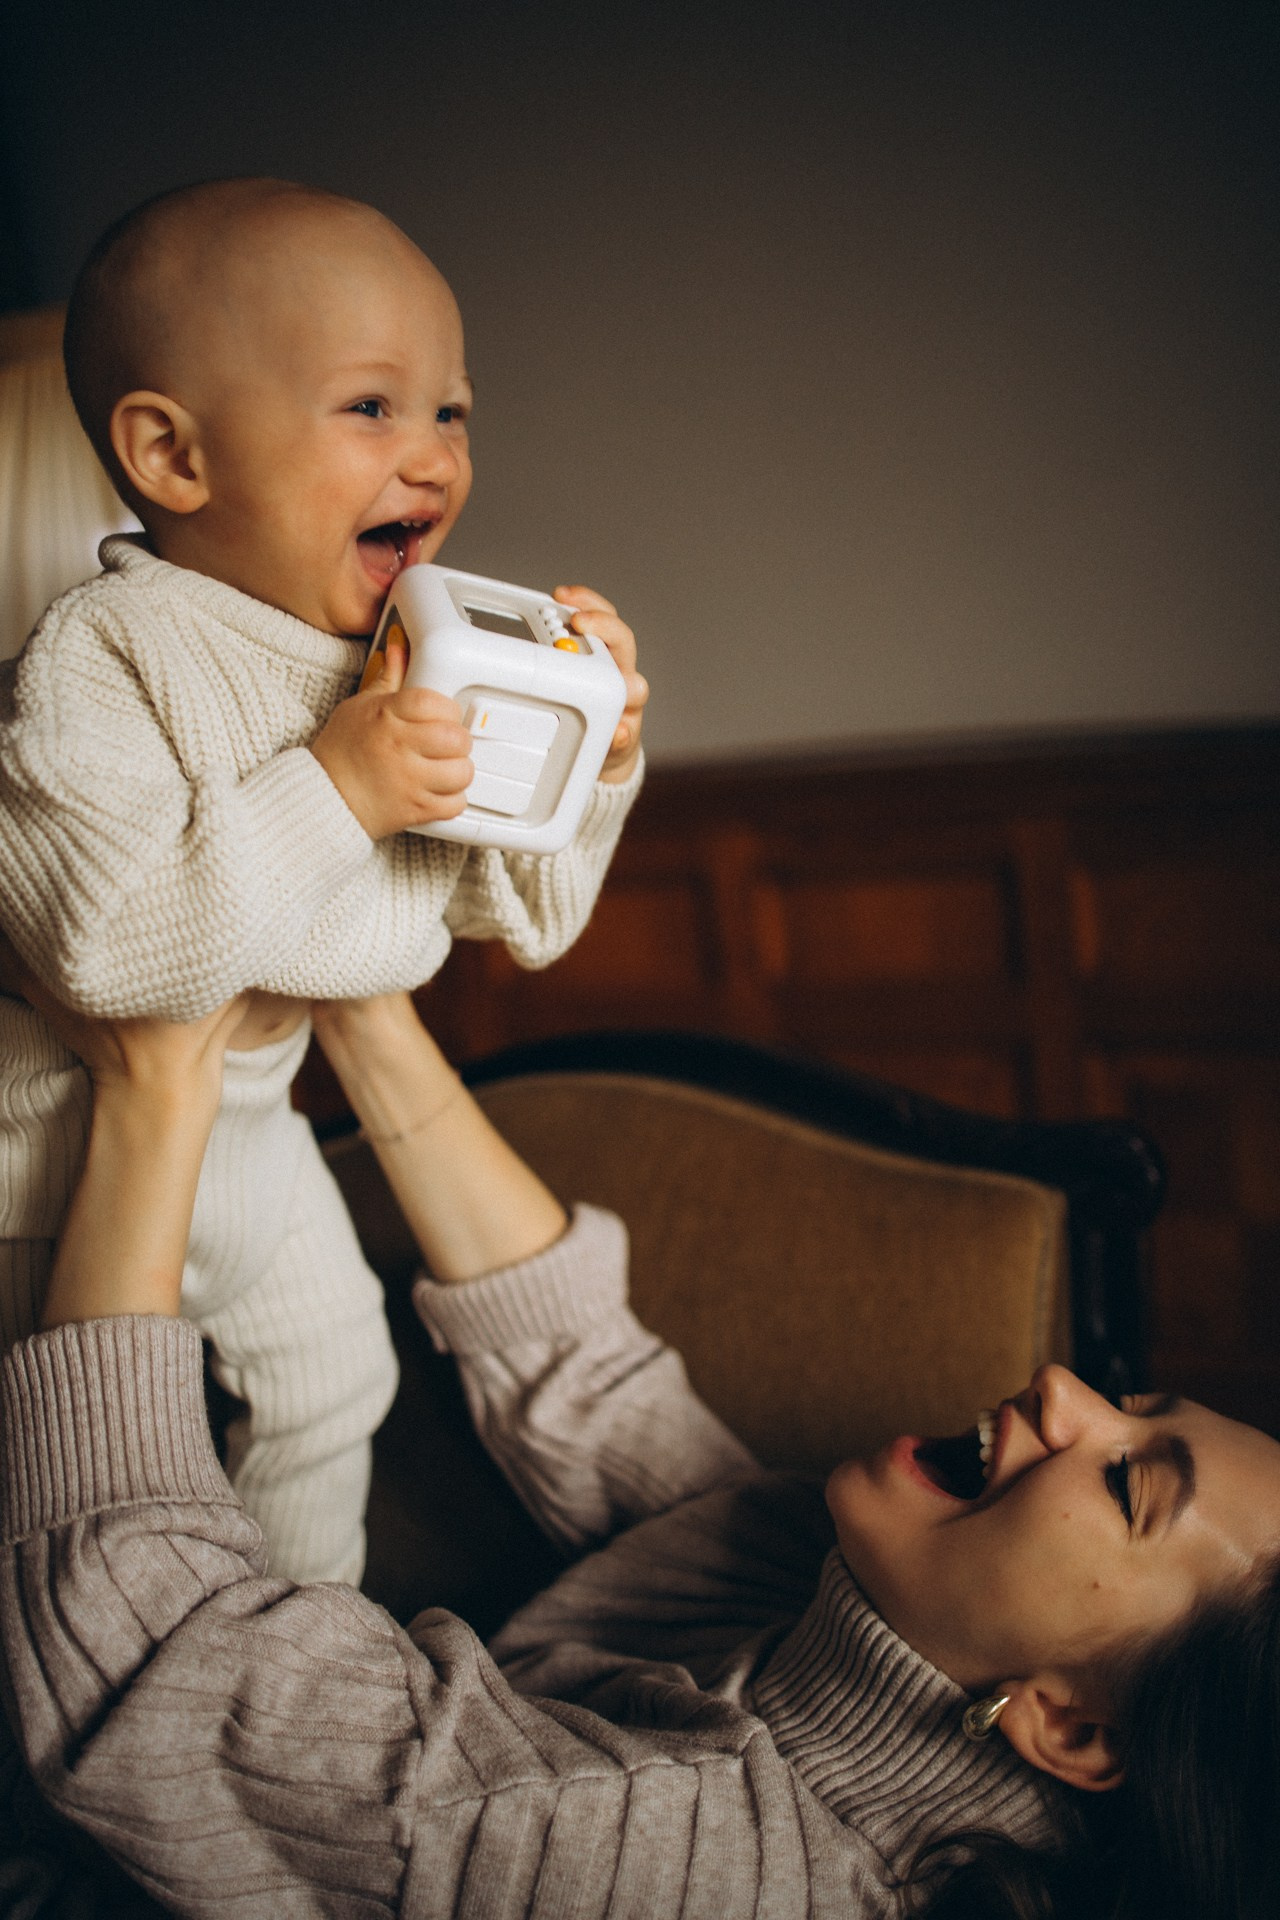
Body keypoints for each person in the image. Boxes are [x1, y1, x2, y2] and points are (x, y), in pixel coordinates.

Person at [1, 969, 1278, 1918]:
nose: (1064, 1391)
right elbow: (589, 1383)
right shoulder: (861, 1588)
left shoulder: (680, 1872)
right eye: (1137, 1402)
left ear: (1071, 1732)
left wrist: (158, 1095)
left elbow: (156, 1658)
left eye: (1127, 1478)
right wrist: (363, 999)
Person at [0, 176, 648, 1585]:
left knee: (340, 1377)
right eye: (371, 406)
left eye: (452, 412)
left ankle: (297, 1649)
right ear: (172, 456)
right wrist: (340, 788)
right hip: (53, 1164)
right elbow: (108, 951)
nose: (432, 456)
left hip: (257, 1131)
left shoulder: (396, 657)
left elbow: (517, 916)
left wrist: (586, 764)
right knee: (65, 1449)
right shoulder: (107, 655)